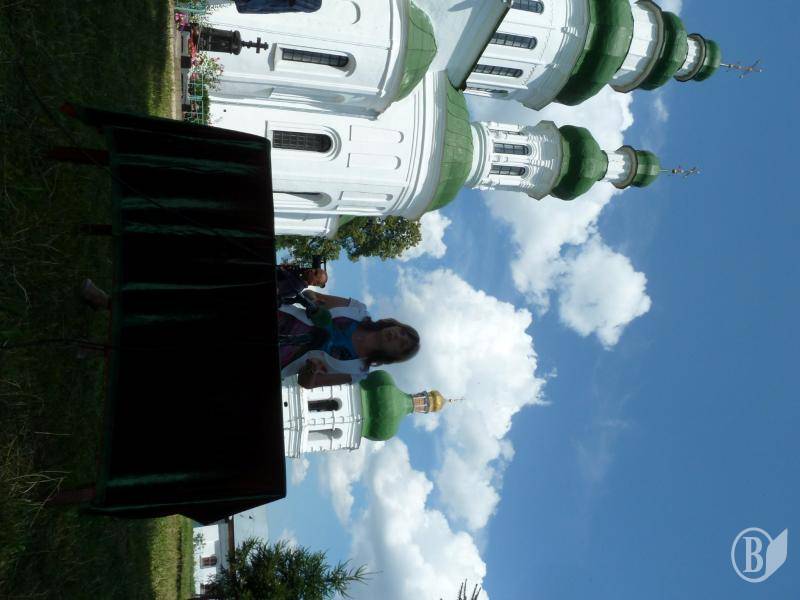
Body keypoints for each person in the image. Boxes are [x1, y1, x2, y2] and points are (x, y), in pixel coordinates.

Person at [278, 291, 419, 389]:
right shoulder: (357, 309)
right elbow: (311, 294)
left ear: (395, 355)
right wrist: (313, 301)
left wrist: (311, 370)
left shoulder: (357, 372)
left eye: (402, 343)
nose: (397, 336)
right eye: (402, 332)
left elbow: (307, 383)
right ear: (396, 325)